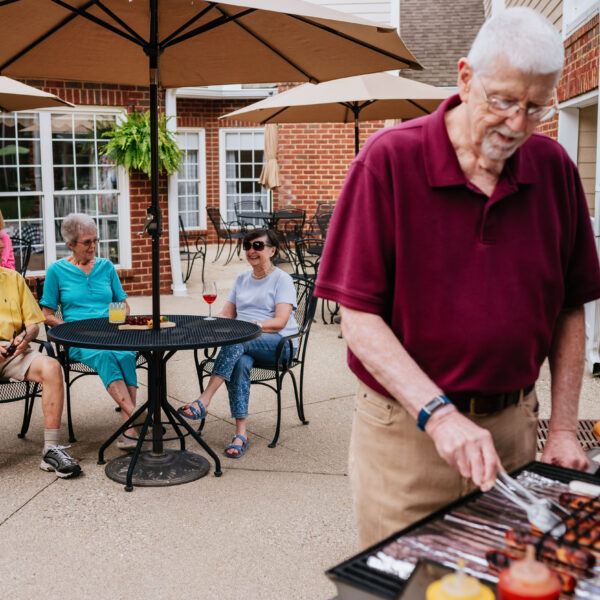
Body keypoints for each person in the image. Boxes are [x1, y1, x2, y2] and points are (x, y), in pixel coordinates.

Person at [314, 7, 600, 550]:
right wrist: (439, 414)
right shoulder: (387, 162)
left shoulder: (556, 169)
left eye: (536, 107)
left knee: (512, 578)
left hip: (514, 429)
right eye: (504, 101)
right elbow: (358, 318)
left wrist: (562, 427)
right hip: (406, 435)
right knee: (407, 586)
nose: (518, 124)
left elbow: (570, 306)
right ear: (466, 78)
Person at [178, 228, 298, 458]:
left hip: (279, 345)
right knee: (240, 361)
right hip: (245, 343)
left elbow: (281, 321)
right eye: (247, 246)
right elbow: (227, 314)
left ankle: (204, 399)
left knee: (238, 342)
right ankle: (241, 433)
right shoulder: (242, 279)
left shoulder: (282, 280)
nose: (252, 251)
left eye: (258, 246)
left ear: (272, 250)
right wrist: (206, 323)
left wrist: (250, 326)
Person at [40, 213, 138, 451]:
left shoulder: (106, 267)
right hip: (79, 339)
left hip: (111, 332)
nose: (93, 246)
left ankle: (129, 427)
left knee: (126, 354)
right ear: (70, 244)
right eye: (87, 242)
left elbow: (123, 305)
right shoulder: (57, 271)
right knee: (105, 356)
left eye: (96, 240)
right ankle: (138, 418)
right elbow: (47, 314)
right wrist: (70, 329)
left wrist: (115, 316)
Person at [0, 267, 81, 477]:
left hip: (13, 351)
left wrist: (25, 337)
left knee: (52, 367)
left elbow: (35, 323)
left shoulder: (13, 279)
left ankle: (51, 450)